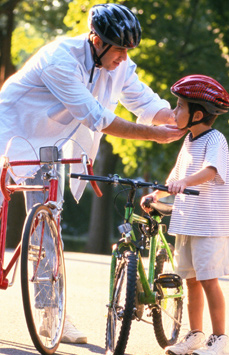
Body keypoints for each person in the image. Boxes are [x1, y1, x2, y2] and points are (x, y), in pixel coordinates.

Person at [0, 3, 186, 344]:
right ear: (96, 40)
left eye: (129, 50)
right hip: (10, 135)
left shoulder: (120, 65)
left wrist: (178, 117)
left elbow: (145, 103)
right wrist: (153, 134)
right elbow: (95, 116)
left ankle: (50, 314)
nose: (125, 57)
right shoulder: (59, 59)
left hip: (50, 147)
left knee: (48, 226)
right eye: (119, 49)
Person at [141, 74, 229, 355]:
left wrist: (185, 183)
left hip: (209, 224)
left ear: (197, 113)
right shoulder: (189, 140)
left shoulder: (215, 139)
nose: (173, 111)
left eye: (179, 106)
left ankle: (219, 339)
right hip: (187, 221)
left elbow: (210, 172)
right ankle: (195, 335)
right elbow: (177, 175)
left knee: (208, 280)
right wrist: (157, 194)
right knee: (191, 280)